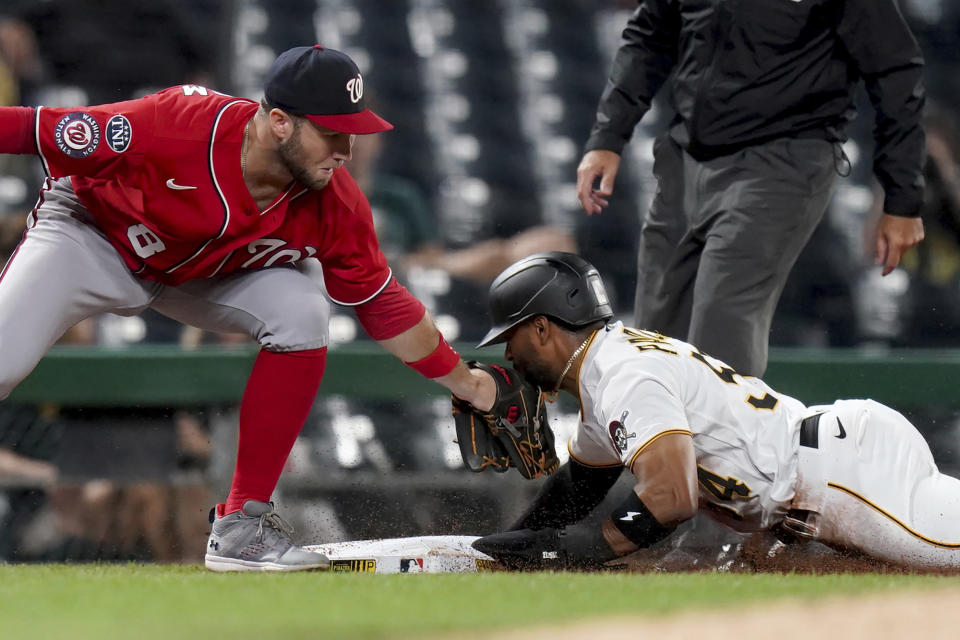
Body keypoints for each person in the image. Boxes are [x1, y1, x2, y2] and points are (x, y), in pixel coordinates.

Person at [0, 45, 496, 572]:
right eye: (332, 133)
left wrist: (471, 386)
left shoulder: (335, 203)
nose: (346, 150)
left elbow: (387, 308)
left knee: (302, 311)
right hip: (91, 235)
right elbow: (31, 128)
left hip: (198, 272)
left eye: (352, 133)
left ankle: (242, 525)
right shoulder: (176, 124)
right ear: (279, 122)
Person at [470, 252, 960, 571]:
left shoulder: (624, 374)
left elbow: (671, 498)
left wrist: (572, 549)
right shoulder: (608, 369)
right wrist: (506, 547)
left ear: (540, 328)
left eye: (508, 337)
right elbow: (579, 487)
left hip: (850, 478)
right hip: (823, 479)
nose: (507, 355)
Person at [575, 0, 927, 377]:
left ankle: (727, 437)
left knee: (720, 330)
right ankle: (661, 435)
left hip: (782, 162)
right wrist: (608, 137)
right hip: (686, 158)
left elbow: (895, 70)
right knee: (655, 341)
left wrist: (902, 198)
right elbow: (650, 34)